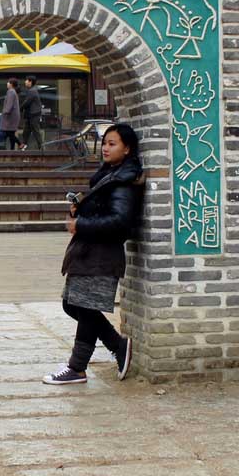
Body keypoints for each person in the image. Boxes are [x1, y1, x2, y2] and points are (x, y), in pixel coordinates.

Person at [43, 123, 143, 385]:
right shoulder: (110, 174)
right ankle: (117, 346)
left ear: (127, 148)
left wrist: (82, 224)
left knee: (84, 307)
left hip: (102, 252)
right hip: (90, 251)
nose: (106, 148)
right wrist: (81, 211)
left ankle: (77, 367)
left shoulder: (124, 181)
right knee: (73, 304)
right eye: (105, 143)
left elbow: (120, 221)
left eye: (113, 144)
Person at [19, 75, 43, 151]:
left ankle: (41, 147)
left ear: (30, 82)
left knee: (35, 131)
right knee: (26, 131)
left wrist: (20, 108)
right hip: (30, 115)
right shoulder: (32, 90)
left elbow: (27, 102)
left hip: (34, 115)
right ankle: (24, 145)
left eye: (26, 80)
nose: (25, 82)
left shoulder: (32, 91)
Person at [0, 77, 22, 150]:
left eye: (8, 82)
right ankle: (12, 149)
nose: (7, 83)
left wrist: (5, 112)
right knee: (11, 132)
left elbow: (9, 104)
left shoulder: (11, 92)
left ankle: (20, 144)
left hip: (10, 116)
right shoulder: (13, 91)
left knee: (8, 132)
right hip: (13, 115)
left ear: (11, 84)